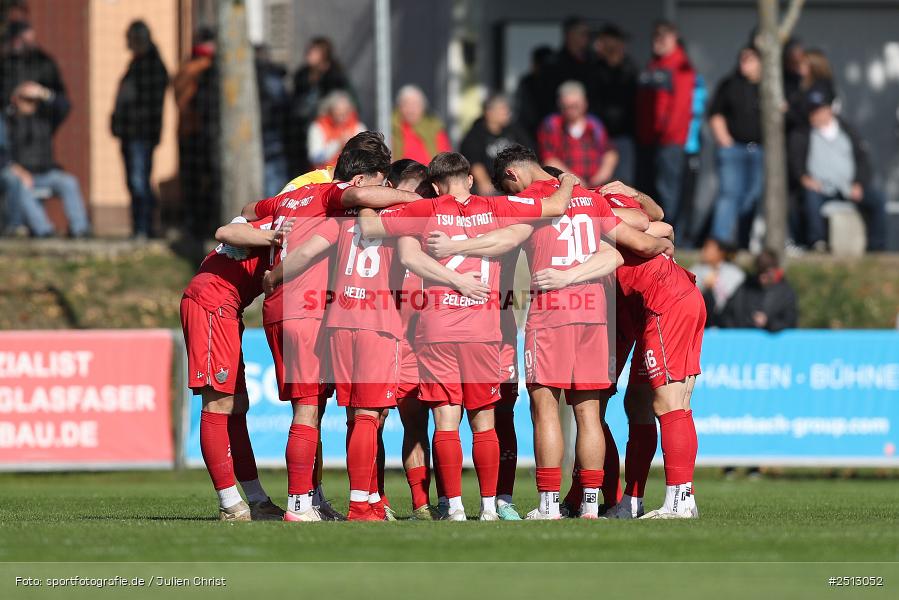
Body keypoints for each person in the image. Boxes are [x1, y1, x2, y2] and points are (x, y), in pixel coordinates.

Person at [357, 151, 578, 521]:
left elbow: (371, 226)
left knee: (445, 421)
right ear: (470, 180)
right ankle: (490, 507)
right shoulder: (497, 206)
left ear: (434, 185)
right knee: (484, 422)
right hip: (484, 329)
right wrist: (568, 180)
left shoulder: (423, 210)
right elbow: (555, 207)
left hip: (436, 328)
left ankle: (454, 508)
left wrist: (378, 195)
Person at [242, 132, 418, 522]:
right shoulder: (332, 199)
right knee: (317, 412)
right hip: (314, 313)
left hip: (288, 311)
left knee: (318, 409)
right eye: (379, 182)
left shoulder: (293, 197)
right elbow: (350, 211)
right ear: (358, 180)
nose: (382, 190)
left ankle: (318, 498)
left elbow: (249, 208)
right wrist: (416, 199)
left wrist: (272, 272)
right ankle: (303, 505)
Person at [179, 213, 288, 521]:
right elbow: (224, 230)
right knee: (219, 403)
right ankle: (229, 503)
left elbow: (247, 208)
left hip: (226, 308)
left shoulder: (292, 218)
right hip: (211, 302)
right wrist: (273, 235)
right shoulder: (284, 224)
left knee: (237, 406)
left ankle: (256, 500)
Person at [788, 85, 887, 252]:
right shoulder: (803, 133)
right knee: (807, 200)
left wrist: (859, 183)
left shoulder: (847, 131)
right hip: (821, 187)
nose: (815, 115)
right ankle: (817, 242)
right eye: (812, 111)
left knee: (878, 199)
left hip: (848, 186)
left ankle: (876, 247)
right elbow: (795, 162)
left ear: (829, 110)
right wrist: (804, 178)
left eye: (819, 110)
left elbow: (862, 159)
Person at [4, 73, 90, 237]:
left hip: (46, 172)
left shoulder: (44, 119)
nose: (31, 104)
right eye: (26, 99)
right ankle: (44, 231)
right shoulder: (8, 121)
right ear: (16, 99)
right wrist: (19, 171)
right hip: (22, 174)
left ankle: (80, 229)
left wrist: (44, 93)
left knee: (69, 182)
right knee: (19, 185)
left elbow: (65, 107)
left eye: (34, 100)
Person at [111, 20, 168, 239]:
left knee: (139, 180)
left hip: (141, 134)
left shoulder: (151, 66)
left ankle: (145, 227)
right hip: (130, 132)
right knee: (136, 180)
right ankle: (142, 226)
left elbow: (145, 103)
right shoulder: (137, 64)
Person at [636, 20, 695, 231]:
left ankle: (670, 233)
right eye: (656, 36)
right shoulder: (653, 66)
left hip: (668, 142)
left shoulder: (681, 65)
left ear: (674, 38)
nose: (658, 41)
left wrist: (667, 135)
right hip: (648, 141)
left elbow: (680, 108)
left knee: (667, 189)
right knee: (649, 189)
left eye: (664, 36)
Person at [708, 46, 763, 248]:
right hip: (734, 150)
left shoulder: (768, 87)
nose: (744, 64)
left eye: (750, 60)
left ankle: (743, 242)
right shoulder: (730, 84)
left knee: (752, 198)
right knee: (729, 195)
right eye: (742, 59)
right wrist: (725, 141)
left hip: (759, 150)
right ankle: (719, 242)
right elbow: (716, 113)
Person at [173, 27, 219, 238]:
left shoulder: (187, 67)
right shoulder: (205, 67)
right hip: (200, 132)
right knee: (203, 182)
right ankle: (201, 224)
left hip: (190, 132)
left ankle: (194, 225)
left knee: (192, 183)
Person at [289, 37, 355, 174]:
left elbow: (349, 102)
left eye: (314, 51)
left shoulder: (335, 77)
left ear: (324, 55)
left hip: (327, 128)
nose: (309, 54)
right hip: (299, 135)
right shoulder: (301, 76)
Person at [538, 80, 618, 186]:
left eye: (575, 106)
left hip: (597, 187)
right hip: (565, 186)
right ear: (560, 105)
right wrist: (575, 180)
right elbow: (549, 159)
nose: (571, 110)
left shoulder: (595, 125)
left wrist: (600, 177)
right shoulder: (552, 125)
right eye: (566, 106)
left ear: (585, 103)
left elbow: (610, 152)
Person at [592, 24, 639, 183]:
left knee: (623, 182)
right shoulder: (595, 68)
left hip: (623, 135)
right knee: (598, 182)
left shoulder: (630, 70)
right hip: (598, 135)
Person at [459, 93, 533, 194]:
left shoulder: (514, 130)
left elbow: (528, 154)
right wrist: (484, 183)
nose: (507, 112)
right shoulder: (475, 135)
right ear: (489, 112)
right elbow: (474, 163)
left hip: (515, 180)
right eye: (502, 109)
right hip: (491, 186)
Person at [720, 250, 798, 332]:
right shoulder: (745, 288)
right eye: (760, 272)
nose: (762, 277)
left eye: (766, 273)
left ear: (776, 270)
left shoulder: (786, 293)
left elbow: (790, 324)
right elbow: (727, 314)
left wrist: (768, 323)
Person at [255, 44, 290, 197]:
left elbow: (281, 106)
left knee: (273, 176)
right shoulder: (274, 78)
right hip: (274, 134)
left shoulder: (267, 79)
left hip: (270, 133)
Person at [690, 238, 745, 327]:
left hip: (727, 320)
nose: (704, 251)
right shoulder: (696, 270)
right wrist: (705, 287)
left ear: (720, 252)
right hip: (704, 319)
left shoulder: (735, 273)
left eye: (708, 248)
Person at [391, 85, 451, 165]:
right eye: (406, 104)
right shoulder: (393, 129)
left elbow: (446, 160)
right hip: (402, 175)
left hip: (432, 175)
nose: (411, 109)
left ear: (423, 107)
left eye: (415, 104)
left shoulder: (435, 128)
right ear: (399, 107)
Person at [306, 90, 366, 169]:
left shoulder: (358, 127)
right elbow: (315, 158)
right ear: (330, 111)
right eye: (338, 114)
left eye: (345, 114)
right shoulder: (317, 127)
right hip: (324, 176)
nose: (342, 118)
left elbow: (366, 156)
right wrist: (337, 144)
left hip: (351, 176)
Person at [515, 45, 555, 139]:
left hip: (551, 129)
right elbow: (525, 111)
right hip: (531, 131)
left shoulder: (555, 81)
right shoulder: (527, 82)